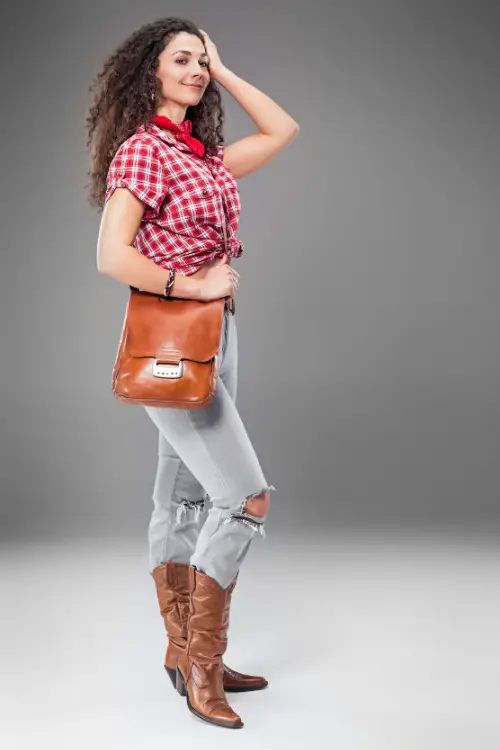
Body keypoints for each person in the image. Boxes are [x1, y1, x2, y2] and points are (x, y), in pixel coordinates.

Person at [86, 17, 299, 729]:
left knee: (180, 500)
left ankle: (184, 652)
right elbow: (112, 255)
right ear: (149, 70)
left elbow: (281, 131)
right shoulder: (146, 151)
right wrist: (189, 284)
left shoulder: (200, 155)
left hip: (215, 334)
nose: (197, 70)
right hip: (171, 331)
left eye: (201, 61)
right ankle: (203, 663)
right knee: (244, 497)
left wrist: (227, 70)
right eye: (182, 59)